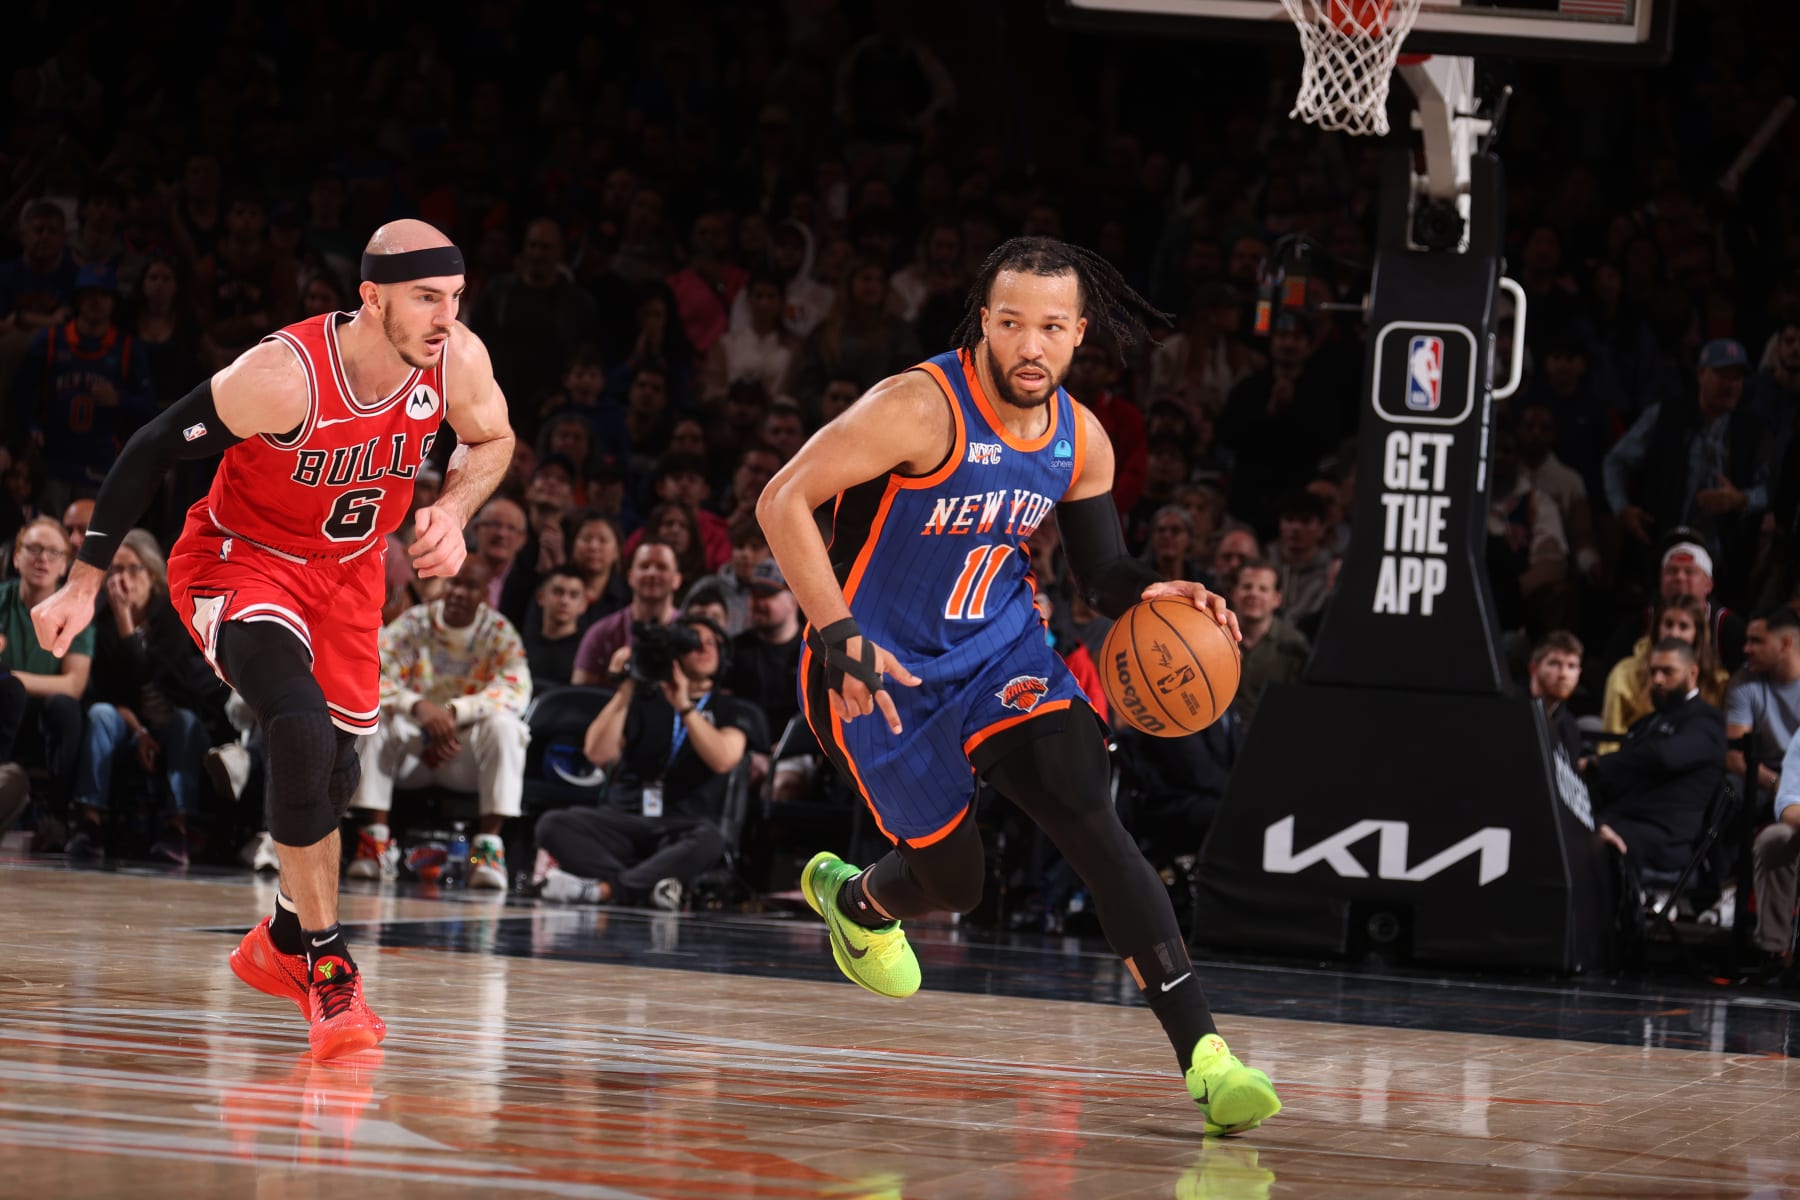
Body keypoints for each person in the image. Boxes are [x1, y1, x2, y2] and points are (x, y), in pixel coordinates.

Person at [755, 236, 1280, 1134]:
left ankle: (1207, 1056)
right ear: (984, 325)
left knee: (1087, 807)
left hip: (1003, 652)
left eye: (1049, 327)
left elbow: (1099, 574)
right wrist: (834, 631)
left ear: (1079, 334)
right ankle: (856, 901)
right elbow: (782, 499)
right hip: (878, 670)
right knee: (957, 882)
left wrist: (1150, 590)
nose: (1029, 345)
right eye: (1010, 324)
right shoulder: (918, 408)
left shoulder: (1083, 440)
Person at [30, 220, 514, 1059]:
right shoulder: (284, 376)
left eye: (455, 299)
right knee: (296, 721)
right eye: (426, 299)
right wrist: (81, 580)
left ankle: (283, 939)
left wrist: (455, 509)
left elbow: (494, 439)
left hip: (352, 574)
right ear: (371, 297)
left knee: (334, 770)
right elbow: (151, 448)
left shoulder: (457, 360)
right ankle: (330, 974)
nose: (445, 317)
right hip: (240, 560)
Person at [537, 613, 765, 909]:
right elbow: (597, 753)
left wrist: (683, 705)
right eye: (693, 642)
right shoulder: (644, 700)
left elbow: (723, 759)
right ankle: (645, 885)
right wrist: (626, 688)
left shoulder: (732, 709)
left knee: (711, 840)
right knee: (553, 824)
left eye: (713, 643)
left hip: (684, 828)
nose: (705, 649)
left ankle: (608, 890)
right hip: (626, 820)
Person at [350, 556, 531, 889]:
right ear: (441, 584)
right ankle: (374, 843)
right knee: (373, 718)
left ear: (485, 594)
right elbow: (373, 673)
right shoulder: (414, 623)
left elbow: (516, 690)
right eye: (453, 582)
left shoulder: (498, 631)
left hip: (463, 756)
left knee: (508, 728)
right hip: (411, 750)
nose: (459, 592)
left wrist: (454, 714)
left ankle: (488, 850)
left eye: (470, 585)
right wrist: (417, 706)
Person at [1587, 640, 1727, 873]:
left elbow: (1664, 756)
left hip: (1663, 838)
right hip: (1622, 819)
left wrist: (1599, 763)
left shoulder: (1707, 721)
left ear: (1692, 672)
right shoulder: (1648, 722)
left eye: (1667, 672)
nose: (1658, 680)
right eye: (1654, 672)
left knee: (1586, 844)